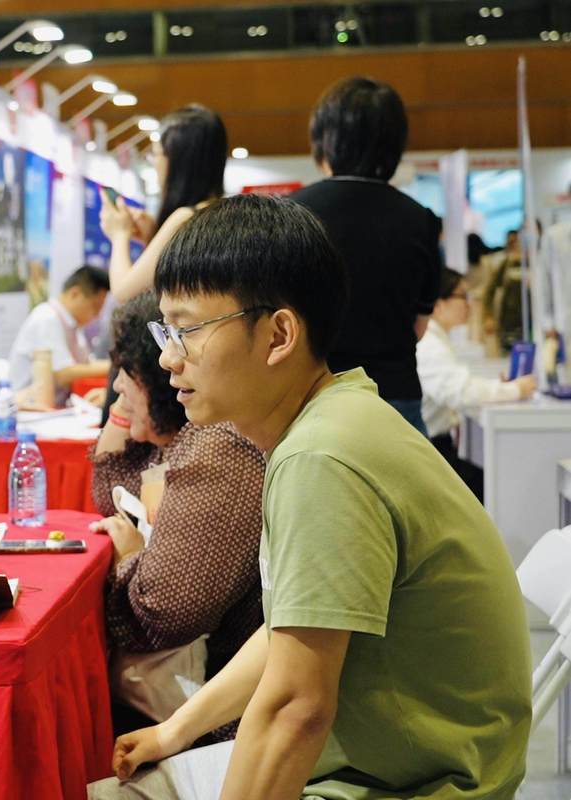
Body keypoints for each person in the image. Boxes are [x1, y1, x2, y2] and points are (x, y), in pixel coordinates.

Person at [93, 195, 530, 799]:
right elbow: (287, 627)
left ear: (278, 335)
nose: (169, 358)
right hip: (413, 760)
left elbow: (298, 707)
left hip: (418, 783)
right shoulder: (334, 415)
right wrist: (175, 730)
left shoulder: (320, 457)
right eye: (166, 329)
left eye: (188, 330)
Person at [87, 291, 265, 741]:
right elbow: (118, 498)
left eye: (128, 372)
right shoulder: (194, 436)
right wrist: (126, 415)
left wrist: (130, 559)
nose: (118, 386)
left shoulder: (219, 445)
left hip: (230, 725)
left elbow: (162, 615)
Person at [289, 76, 441, 435]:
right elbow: (419, 326)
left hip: (311, 398)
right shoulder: (420, 220)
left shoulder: (292, 214)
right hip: (395, 396)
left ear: (326, 139)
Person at [418, 267, 536, 499]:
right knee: (489, 487)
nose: (469, 304)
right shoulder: (429, 346)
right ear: (438, 304)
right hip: (432, 451)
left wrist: (498, 386)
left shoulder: (436, 340)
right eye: (462, 296)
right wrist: (513, 389)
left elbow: (458, 383)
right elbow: (461, 391)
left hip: (437, 447)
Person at [99, 104, 228, 304]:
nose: (154, 163)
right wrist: (153, 236)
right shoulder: (221, 212)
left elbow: (124, 294)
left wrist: (119, 234)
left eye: (156, 154)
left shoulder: (185, 218)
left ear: (178, 161)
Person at [7, 266, 112, 406]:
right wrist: (115, 366)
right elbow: (62, 373)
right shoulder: (47, 317)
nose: (97, 315)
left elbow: (86, 364)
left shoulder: (71, 325)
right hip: (29, 409)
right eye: (95, 306)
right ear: (75, 294)